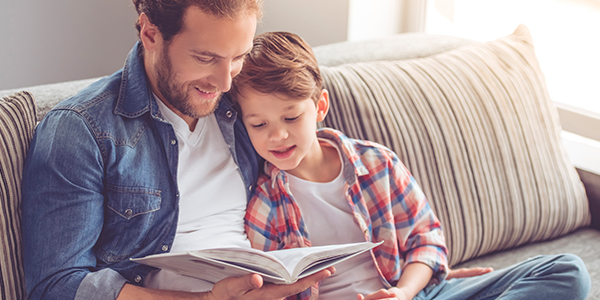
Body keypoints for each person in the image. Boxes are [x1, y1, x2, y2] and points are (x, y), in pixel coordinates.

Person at [230, 31, 592, 300]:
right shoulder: (264, 205)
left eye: (291, 117)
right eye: (259, 125)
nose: (277, 136)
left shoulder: (377, 164)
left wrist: (404, 292)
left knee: (566, 271)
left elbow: (427, 243)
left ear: (320, 106)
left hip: (413, 294)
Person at [20, 1, 334, 300]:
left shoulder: (244, 108)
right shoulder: (80, 130)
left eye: (238, 57)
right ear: (150, 34)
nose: (225, 82)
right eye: (206, 58)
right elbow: (57, 286)